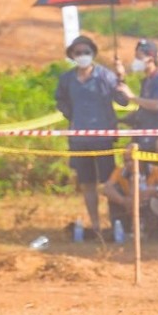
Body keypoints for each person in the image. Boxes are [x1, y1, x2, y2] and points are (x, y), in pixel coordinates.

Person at [55, 34, 121, 240]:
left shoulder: (105, 76)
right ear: (72, 56)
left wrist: (121, 78)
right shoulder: (66, 79)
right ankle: (96, 225)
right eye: (78, 53)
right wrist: (72, 117)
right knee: (87, 184)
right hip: (79, 140)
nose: (83, 56)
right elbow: (60, 101)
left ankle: (116, 223)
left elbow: (123, 100)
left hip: (103, 139)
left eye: (87, 52)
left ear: (93, 54)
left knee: (109, 184)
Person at [116, 38, 158, 148]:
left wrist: (132, 97)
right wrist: (120, 119)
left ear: (150, 59)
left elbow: (157, 105)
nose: (136, 60)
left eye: (139, 57)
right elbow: (144, 110)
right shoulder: (147, 81)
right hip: (143, 136)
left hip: (156, 140)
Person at [101, 143, 158, 239]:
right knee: (114, 194)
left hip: (149, 206)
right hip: (128, 206)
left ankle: (153, 231)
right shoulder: (120, 171)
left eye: (132, 160)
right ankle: (122, 229)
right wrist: (123, 200)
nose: (129, 164)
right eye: (126, 161)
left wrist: (153, 191)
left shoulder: (155, 170)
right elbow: (106, 188)